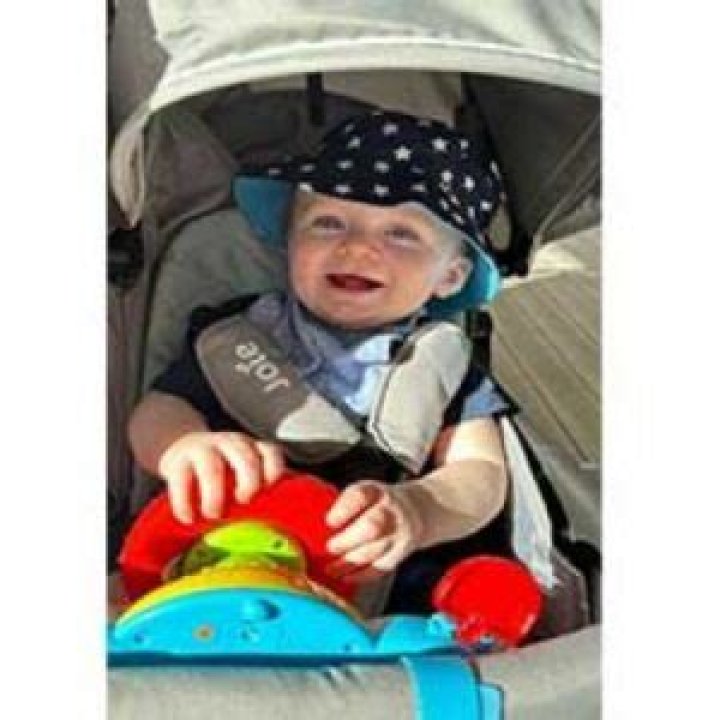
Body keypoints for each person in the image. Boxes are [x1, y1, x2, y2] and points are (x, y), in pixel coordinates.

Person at [128, 111, 510, 607]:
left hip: (370, 582)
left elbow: (481, 473)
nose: (357, 247)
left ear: (450, 278)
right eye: (328, 223)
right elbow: (160, 408)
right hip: (211, 558)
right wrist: (184, 446)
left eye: (401, 233)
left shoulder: (445, 367)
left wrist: (420, 510)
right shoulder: (238, 333)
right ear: (289, 243)